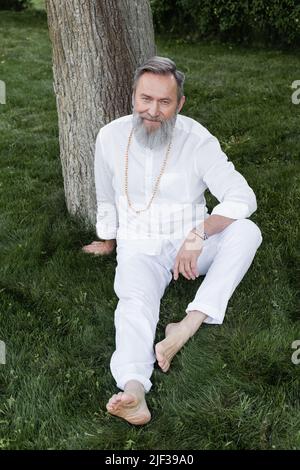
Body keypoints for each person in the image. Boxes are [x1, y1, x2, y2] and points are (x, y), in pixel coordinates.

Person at [83, 56, 262, 425]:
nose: (153, 111)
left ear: (180, 103)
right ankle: (134, 389)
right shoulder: (110, 137)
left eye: (165, 102)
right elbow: (104, 195)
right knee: (133, 302)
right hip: (140, 246)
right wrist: (108, 239)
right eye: (145, 99)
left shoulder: (197, 139)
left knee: (247, 231)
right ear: (133, 96)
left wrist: (199, 233)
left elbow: (244, 197)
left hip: (189, 243)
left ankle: (188, 324)